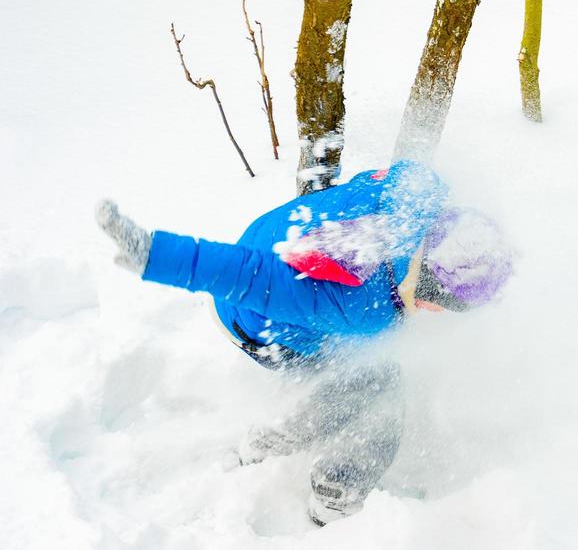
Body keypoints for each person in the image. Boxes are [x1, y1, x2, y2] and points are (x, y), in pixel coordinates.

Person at [94, 160, 513, 524]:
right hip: (255, 319)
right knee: (377, 385)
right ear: (428, 288)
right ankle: (334, 495)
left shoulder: (418, 188)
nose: (437, 313)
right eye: (440, 304)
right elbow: (250, 277)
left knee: (368, 362)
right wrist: (155, 255)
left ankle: (272, 437)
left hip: (271, 237)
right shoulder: (358, 303)